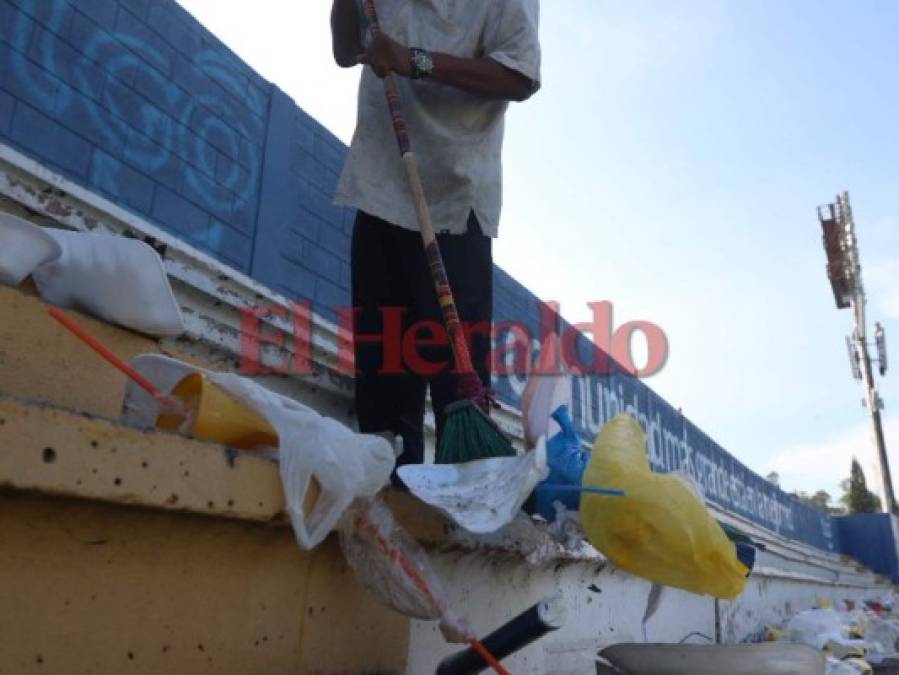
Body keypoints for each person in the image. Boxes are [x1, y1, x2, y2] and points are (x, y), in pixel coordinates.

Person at [331, 0, 541, 469]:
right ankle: (390, 484)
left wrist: (414, 61)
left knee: (457, 381)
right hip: (382, 188)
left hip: (454, 200)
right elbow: (346, 52)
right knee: (384, 369)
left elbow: (519, 75)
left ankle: (467, 496)